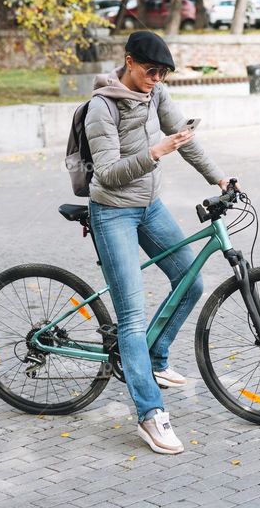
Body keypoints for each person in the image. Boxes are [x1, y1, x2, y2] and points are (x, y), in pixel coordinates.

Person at [85, 31, 238, 455]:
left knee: (190, 282)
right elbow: (108, 174)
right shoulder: (101, 107)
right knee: (132, 317)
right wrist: (155, 153)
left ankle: (154, 359)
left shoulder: (157, 94)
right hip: (112, 211)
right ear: (129, 62)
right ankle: (150, 415)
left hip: (149, 208)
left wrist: (219, 177)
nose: (156, 79)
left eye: (163, 73)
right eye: (150, 71)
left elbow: (184, 140)